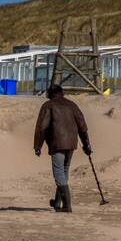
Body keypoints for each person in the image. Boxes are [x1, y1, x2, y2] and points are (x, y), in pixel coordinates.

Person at [33, 84, 92, 213]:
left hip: (57, 143)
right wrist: (87, 144)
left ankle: (67, 205)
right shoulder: (72, 105)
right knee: (64, 171)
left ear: (50, 93)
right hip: (71, 143)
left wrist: (38, 146)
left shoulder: (48, 106)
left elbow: (42, 128)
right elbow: (82, 126)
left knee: (59, 172)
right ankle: (57, 202)